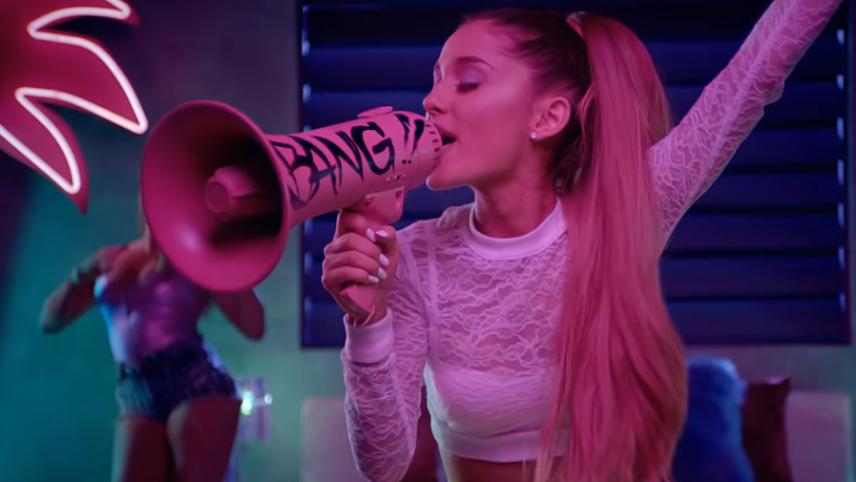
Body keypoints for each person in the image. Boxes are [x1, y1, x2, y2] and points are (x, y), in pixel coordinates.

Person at [320, 1, 844, 481]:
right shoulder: (414, 258)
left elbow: (753, 78)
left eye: (469, 82)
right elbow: (384, 465)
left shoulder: (624, 213)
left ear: (547, 117)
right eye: (435, 81)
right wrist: (368, 324)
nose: (431, 101)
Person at [40, 222, 264, 482]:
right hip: (136, 386)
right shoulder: (116, 256)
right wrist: (81, 273)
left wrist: (216, 259)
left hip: (193, 378)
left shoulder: (195, 256)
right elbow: (49, 322)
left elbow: (255, 326)